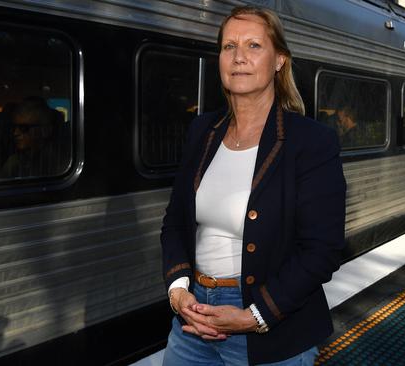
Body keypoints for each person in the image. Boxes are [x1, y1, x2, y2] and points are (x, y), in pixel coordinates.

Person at [161, 5, 346, 365]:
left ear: (279, 60)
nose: (239, 57)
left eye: (253, 46)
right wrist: (179, 291)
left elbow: (321, 249)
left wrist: (253, 317)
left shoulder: (311, 141)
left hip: (272, 326)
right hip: (193, 317)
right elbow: (175, 222)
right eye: (229, 46)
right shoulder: (203, 132)